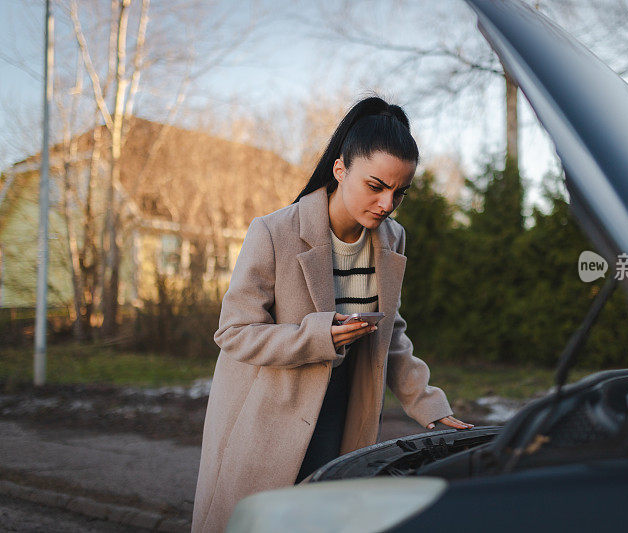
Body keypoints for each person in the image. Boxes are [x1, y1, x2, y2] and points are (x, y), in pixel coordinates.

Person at [191, 96, 472, 533]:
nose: (386, 203)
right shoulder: (274, 231)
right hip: (269, 412)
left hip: (346, 406)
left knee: (321, 521)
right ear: (340, 170)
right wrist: (318, 336)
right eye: (375, 186)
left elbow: (389, 333)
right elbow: (234, 332)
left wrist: (428, 406)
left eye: (399, 192)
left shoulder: (392, 238)